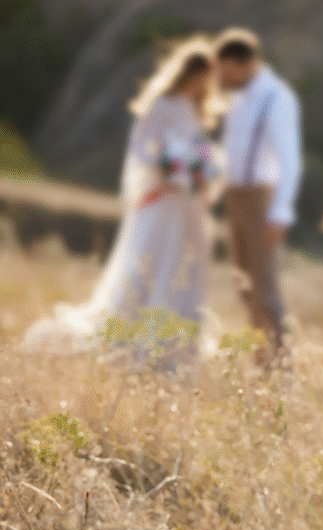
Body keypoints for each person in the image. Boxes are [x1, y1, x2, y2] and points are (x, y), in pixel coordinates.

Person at [22, 37, 220, 369]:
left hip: (186, 207)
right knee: (152, 266)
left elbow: (201, 156)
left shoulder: (194, 113)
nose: (206, 83)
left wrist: (201, 173)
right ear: (189, 73)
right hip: (162, 202)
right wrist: (166, 168)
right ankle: (136, 343)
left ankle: (175, 349)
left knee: (183, 270)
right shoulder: (161, 105)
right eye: (203, 75)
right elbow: (142, 150)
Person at [214, 27, 303, 368]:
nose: (224, 77)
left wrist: (280, 213)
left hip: (261, 200)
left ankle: (281, 368)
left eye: (227, 70)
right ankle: (261, 359)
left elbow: (290, 160)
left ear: (245, 63)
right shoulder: (239, 99)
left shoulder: (276, 97)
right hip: (236, 196)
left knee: (266, 289)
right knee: (245, 286)